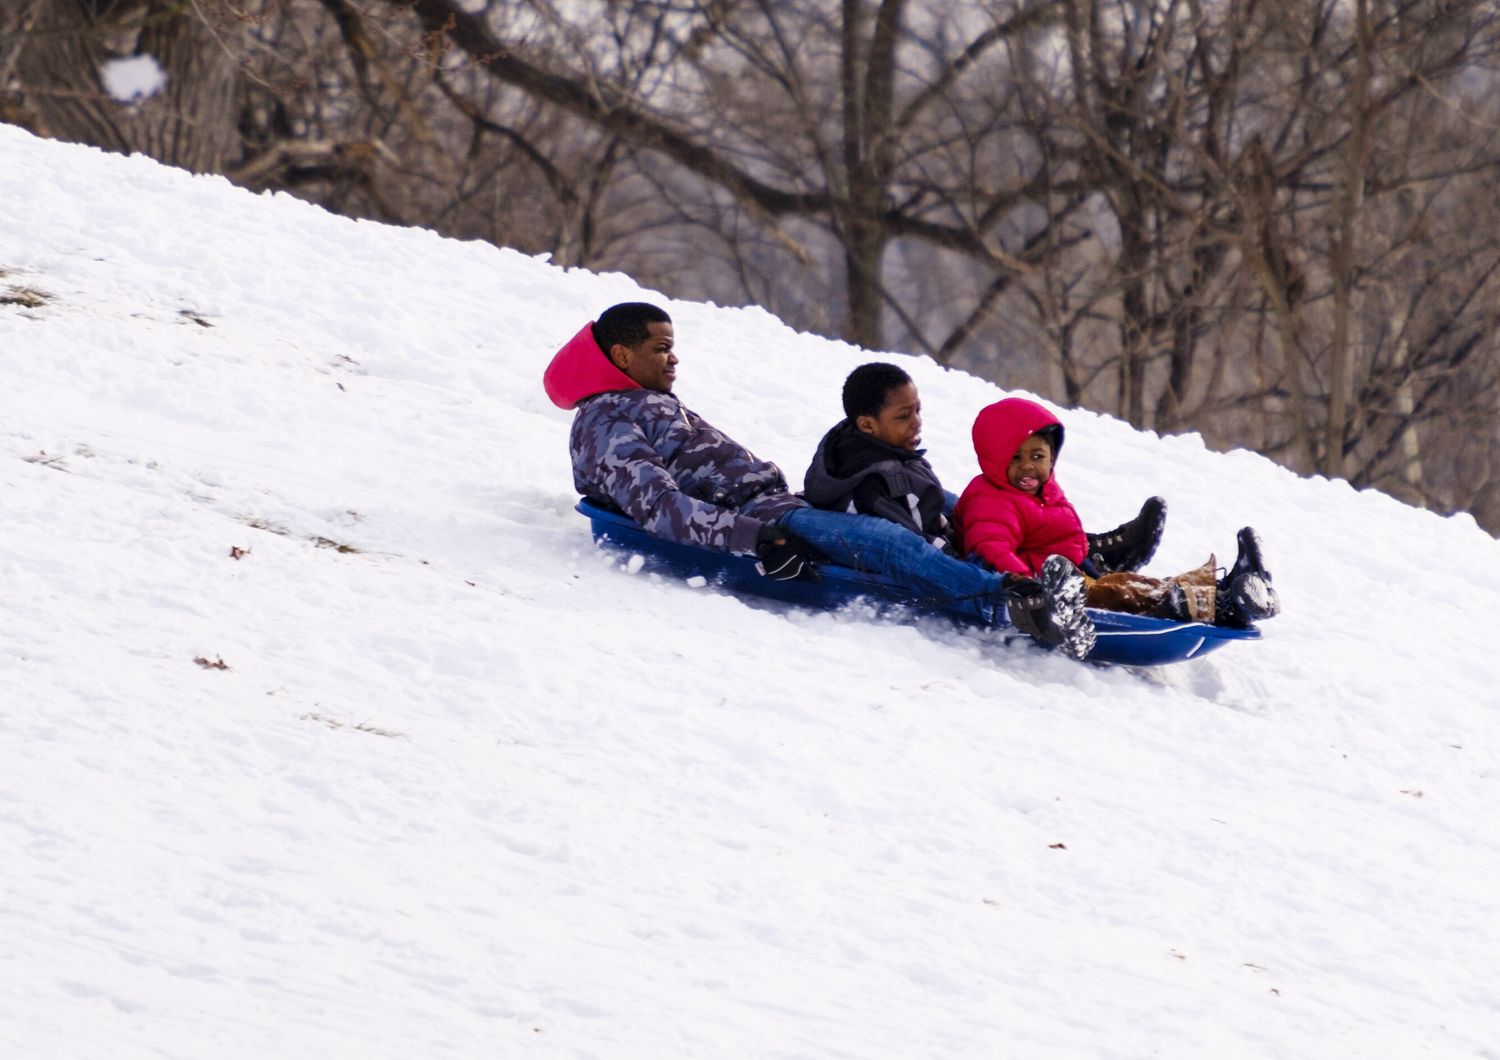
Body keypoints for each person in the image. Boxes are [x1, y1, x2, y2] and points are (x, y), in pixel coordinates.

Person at [542, 303, 1094, 658]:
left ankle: (1076, 556)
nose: (674, 359)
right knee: (886, 541)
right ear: (621, 354)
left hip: (778, 500)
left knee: (936, 496)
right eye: (660, 349)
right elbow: (659, 506)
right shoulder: (606, 422)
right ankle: (1010, 597)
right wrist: (754, 539)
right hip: (764, 517)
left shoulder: (647, 402)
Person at [953, 396, 1282, 629]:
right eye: (1015, 458)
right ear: (995, 458)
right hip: (1048, 589)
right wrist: (1030, 586)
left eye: (1037, 456)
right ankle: (1222, 606)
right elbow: (991, 550)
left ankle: (1230, 587)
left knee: (1135, 585)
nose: (1029, 466)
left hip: (1073, 576)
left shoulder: (1042, 491)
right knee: (1127, 595)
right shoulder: (992, 500)